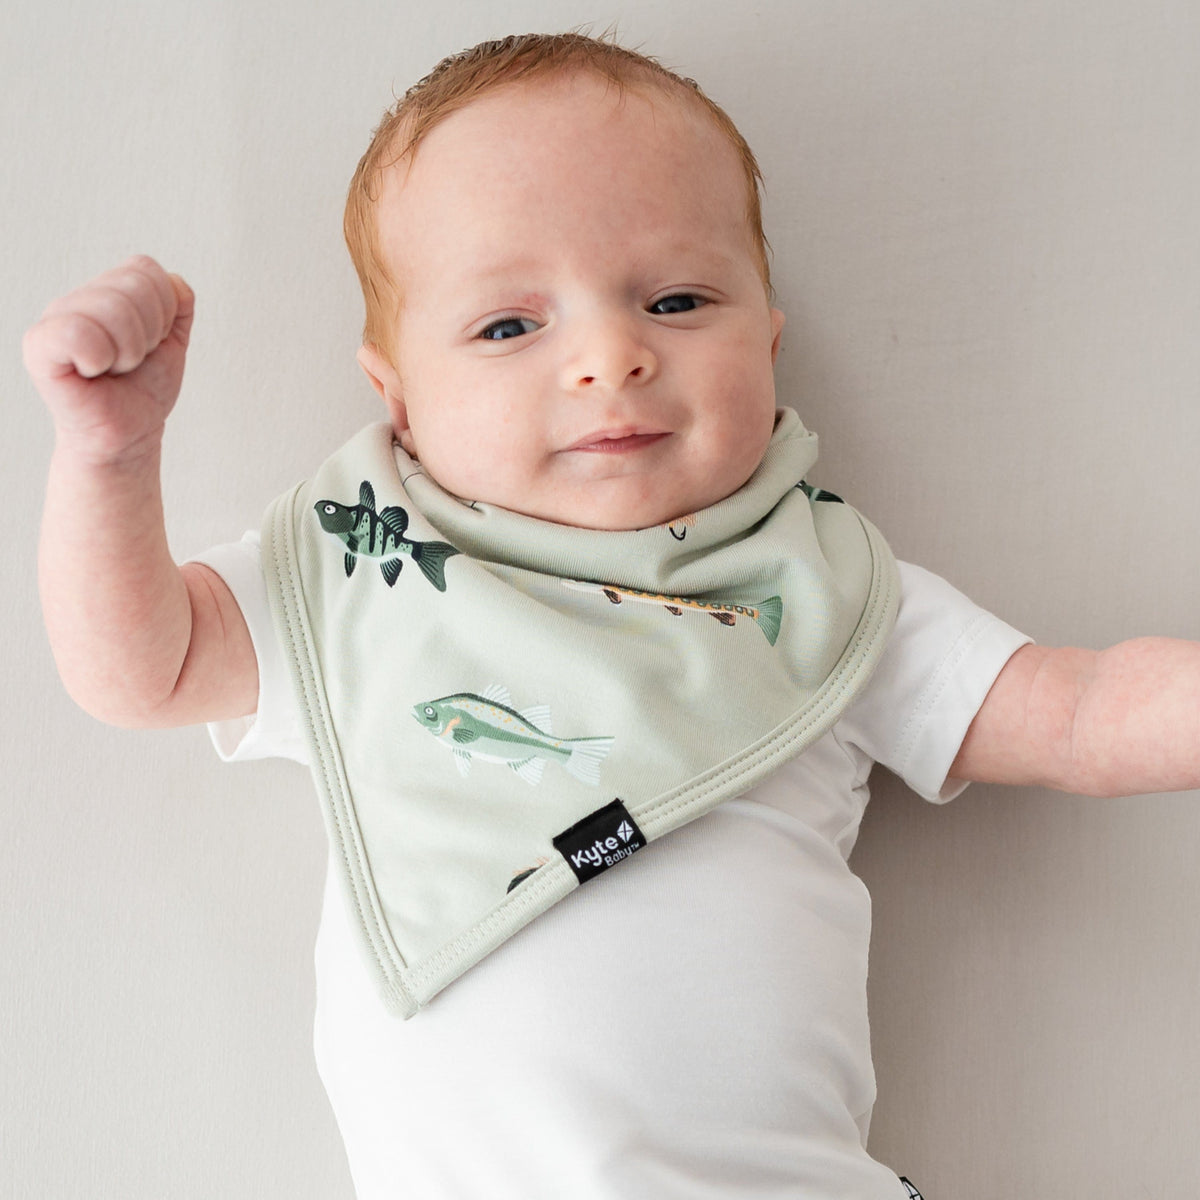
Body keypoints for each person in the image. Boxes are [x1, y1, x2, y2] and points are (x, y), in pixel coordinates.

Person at [23, 31, 1200, 1200]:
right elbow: (144, 671)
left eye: (678, 300)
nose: (609, 355)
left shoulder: (818, 590)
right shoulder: (359, 575)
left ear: (769, 343)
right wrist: (111, 459)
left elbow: (1082, 710)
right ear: (399, 399)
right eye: (509, 325)